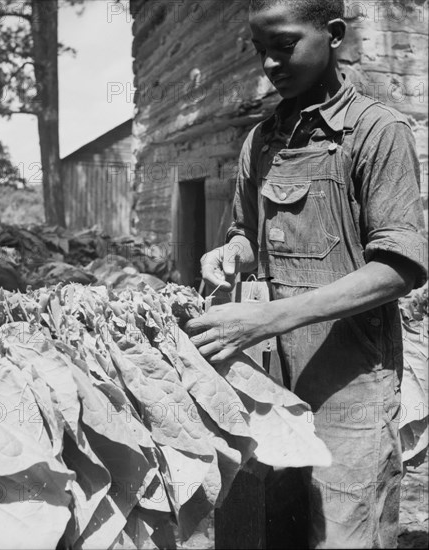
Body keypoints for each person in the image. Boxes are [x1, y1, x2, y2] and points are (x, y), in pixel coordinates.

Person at [185, 0, 428, 548]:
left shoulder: (375, 132)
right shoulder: (261, 141)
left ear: (334, 35)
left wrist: (267, 318)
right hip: (269, 378)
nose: (270, 64)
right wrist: (230, 254)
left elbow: (399, 268)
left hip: (351, 382)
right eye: (260, 51)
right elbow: (245, 233)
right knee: (272, 525)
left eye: (285, 45)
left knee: (345, 533)